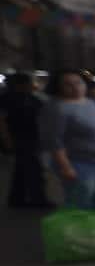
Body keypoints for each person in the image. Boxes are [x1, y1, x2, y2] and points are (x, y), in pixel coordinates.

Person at [41, 70, 95, 208]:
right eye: (68, 84)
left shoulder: (89, 103)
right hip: (79, 164)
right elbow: (54, 141)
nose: (75, 87)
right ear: (58, 87)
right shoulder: (57, 108)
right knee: (82, 203)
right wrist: (66, 167)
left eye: (78, 83)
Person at [0, 73, 50, 208]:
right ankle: (36, 198)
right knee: (33, 170)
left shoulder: (31, 98)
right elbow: (2, 120)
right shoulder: (8, 99)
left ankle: (18, 198)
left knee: (22, 170)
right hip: (20, 138)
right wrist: (6, 139)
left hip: (31, 137)